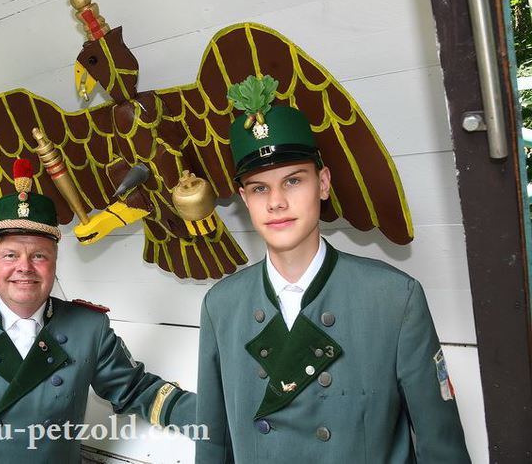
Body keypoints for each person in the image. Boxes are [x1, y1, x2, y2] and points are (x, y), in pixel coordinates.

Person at [195, 76, 470, 463]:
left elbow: (441, 445)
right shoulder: (222, 305)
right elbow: (212, 443)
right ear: (244, 198)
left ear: (322, 183)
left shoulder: (393, 298)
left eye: (293, 180)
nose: (276, 202)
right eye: (259, 188)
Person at [0, 159, 195, 463]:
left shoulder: (88, 329)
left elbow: (136, 389)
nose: (24, 267)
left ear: (54, 262)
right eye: (10, 255)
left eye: (39, 256)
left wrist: (210, 415)